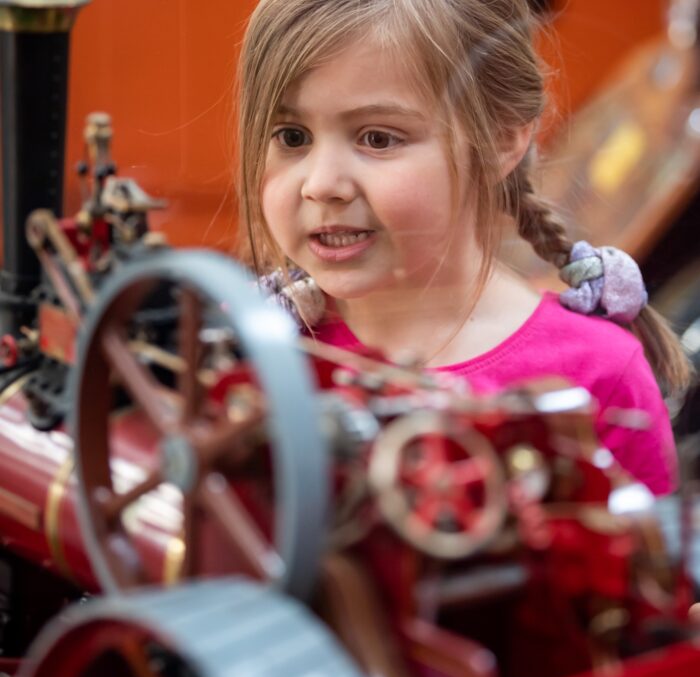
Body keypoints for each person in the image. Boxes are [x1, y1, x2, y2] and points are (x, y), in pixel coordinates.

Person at [235, 0, 692, 496]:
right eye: (292, 136)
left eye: (378, 138)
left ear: (498, 141)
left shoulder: (599, 374)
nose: (321, 185)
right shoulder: (251, 351)